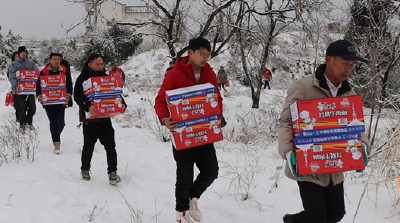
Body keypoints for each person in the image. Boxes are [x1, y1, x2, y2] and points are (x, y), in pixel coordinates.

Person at [278, 40, 371, 223]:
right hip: (308, 166)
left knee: (336, 214)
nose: (348, 69)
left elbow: (356, 126)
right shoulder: (303, 87)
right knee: (318, 217)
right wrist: (288, 152)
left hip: (335, 167)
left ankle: (292, 221)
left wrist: (363, 148)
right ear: (329, 60)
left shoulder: (349, 94)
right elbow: (286, 121)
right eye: (345, 63)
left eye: (351, 65)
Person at [155, 37, 224, 223]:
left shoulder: (210, 73)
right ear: (190, 52)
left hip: (204, 133)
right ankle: (181, 212)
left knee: (211, 171)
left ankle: (193, 198)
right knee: (184, 176)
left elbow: (216, 99)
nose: (205, 59)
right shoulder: (174, 74)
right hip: (183, 135)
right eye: (202, 54)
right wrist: (164, 119)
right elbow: (160, 101)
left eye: (208, 55)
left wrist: (218, 116)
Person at [74, 54, 126, 185]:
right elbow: (77, 96)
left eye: (102, 64)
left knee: (110, 146)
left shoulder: (106, 78)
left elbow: (114, 92)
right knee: (89, 146)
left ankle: (112, 172)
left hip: (104, 118)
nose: (100, 66)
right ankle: (85, 169)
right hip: (90, 120)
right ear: (89, 64)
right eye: (97, 64)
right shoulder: (83, 78)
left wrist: (122, 103)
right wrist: (87, 106)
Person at [36, 53, 73, 154]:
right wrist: (39, 96)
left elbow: (69, 84)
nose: (57, 61)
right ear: (50, 61)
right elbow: (38, 85)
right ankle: (56, 143)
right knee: (54, 122)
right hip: (49, 103)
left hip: (61, 102)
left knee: (62, 123)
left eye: (58, 59)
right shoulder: (43, 72)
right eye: (54, 59)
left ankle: (55, 135)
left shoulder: (65, 72)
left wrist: (69, 95)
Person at [8, 46, 38, 131]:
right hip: (19, 90)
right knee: (21, 107)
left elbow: (36, 74)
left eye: (25, 53)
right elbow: (12, 77)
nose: (23, 54)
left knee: (32, 107)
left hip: (30, 90)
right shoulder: (14, 65)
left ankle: (29, 121)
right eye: (22, 53)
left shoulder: (31, 64)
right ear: (19, 54)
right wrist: (15, 85)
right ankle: (22, 125)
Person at [7, 52, 19, 122]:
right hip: (15, 87)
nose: (17, 58)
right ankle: (18, 115)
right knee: (17, 102)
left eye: (18, 56)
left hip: (25, 88)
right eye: (16, 57)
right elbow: (9, 76)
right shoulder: (11, 67)